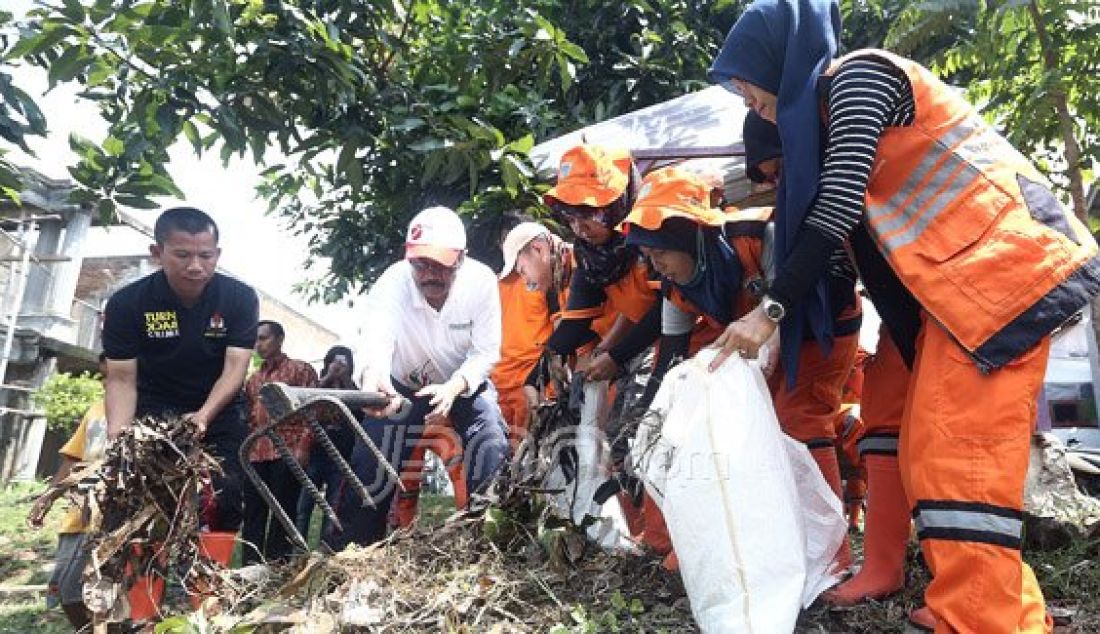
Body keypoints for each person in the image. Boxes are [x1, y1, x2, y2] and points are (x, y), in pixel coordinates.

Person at [707, 1, 1100, 630]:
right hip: (944, 295)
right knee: (889, 415)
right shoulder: (818, 129)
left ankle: (984, 618)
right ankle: (886, 566)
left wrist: (768, 313)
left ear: (775, 60)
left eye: (746, 83)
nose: (746, 101)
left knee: (955, 453)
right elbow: (857, 252)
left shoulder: (862, 76)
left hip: (1001, 274)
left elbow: (838, 198)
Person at [622, 165, 861, 570]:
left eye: (660, 252)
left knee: (798, 422)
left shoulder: (757, 235)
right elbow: (670, 357)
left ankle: (829, 558)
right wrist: (649, 421)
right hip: (755, 339)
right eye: (647, 255)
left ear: (687, 235)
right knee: (727, 431)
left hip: (819, 324)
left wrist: (767, 343)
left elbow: (802, 289)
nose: (654, 264)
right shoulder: (677, 285)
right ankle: (763, 545)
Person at [332, 206, 509, 548]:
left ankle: (490, 541)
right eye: (421, 264)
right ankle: (352, 552)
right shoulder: (394, 281)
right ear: (408, 258)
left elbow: (485, 352)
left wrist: (455, 387)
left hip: (463, 382)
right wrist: (374, 379)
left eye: (441, 265)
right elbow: (376, 337)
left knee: (490, 437)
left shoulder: (482, 281)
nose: (430, 274)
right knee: (370, 461)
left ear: (461, 258)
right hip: (401, 384)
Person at [103, 207, 258, 541]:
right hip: (152, 413)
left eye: (205, 255)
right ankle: (141, 588)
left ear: (217, 254)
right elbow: (121, 379)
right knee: (136, 504)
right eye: (182, 254)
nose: (195, 266)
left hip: (218, 412)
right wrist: (118, 438)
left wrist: (203, 415)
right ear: (157, 253)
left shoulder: (239, 298)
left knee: (224, 497)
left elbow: (236, 367)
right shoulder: (127, 304)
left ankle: (210, 590)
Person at [26, 354, 109, 630]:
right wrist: (47, 497)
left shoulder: (144, 411)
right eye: (105, 376)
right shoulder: (96, 410)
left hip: (109, 517)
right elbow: (72, 459)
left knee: (84, 592)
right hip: (77, 517)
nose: (110, 383)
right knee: (63, 592)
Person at [241, 320, 319, 563]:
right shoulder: (253, 379)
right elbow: (250, 418)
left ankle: (277, 568)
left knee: (282, 511)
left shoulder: (300, 370)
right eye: (255, 340)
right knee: (253, 512)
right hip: (256, 452)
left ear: (280, 339)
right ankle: (249, 569)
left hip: (287, 449)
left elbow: (312, 411)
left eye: (264, 338)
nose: (258, 345)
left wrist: (304, 447)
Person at [295, 345, 357, 548]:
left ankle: (324, 549)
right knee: (304, 507)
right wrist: (329, 377)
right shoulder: (318, 386)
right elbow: (305, 408)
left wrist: (346, 380)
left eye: (344, 363)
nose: (339, 367)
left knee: (331, 509)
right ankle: (299, 550)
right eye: (335, 362)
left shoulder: (353, 389)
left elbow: (359, 414)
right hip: (315, 454)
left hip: (340, 456)